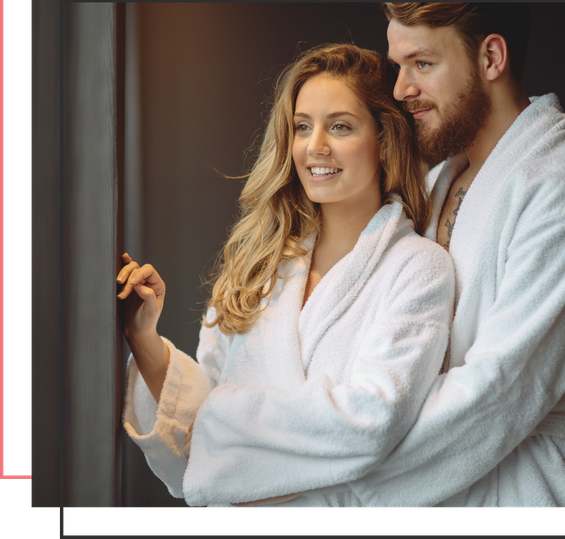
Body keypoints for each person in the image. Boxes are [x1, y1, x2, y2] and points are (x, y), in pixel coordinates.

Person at [119, 43, 456, 508]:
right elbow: (191, 450)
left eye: (340, 126)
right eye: (302, 127)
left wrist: (216, 428)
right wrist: (143, 338)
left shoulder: (418, 268)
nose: (315, 145)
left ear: (384, 140)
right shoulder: (257, 266)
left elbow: (374, 420)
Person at [345, 0, 565, 508]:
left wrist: (336, 489)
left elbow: (499, 393)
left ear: (491, 58)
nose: (401, 90)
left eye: (422, 64)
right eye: (400, 66)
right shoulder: (433, 184)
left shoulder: (558, 185)